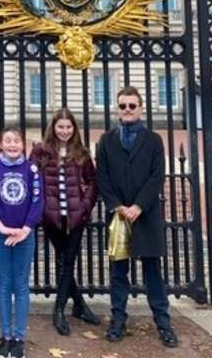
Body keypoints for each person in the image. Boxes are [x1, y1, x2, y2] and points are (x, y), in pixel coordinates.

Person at [95, 86, 179, 348]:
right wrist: (117, 206)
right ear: (117, 109)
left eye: (132, 105)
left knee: (153, 271)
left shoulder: (153, 140)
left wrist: (139, 205)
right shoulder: (106, 140)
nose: (128, 110)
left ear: (141, 108)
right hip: (120, 215)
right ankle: (118, 319)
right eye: (123, 106)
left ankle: (163, 322)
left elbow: (157, 176)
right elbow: (103, 178)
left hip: (147, 213)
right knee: (119, 271)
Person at [29, 108, 100, 336]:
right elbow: (32, 181)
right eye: (61, 127)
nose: (64, 131)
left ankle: (59, 310)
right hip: (51, 217)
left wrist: (85, 207)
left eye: (68, 127)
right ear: (53, 127)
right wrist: (41, 210)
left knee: (68, 260)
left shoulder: (81, 153)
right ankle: (79, 304)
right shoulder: (40, 152)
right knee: (63, 260)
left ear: (74, 129)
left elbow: (92, 182)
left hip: (76, 216)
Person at [0, 127, 43, 358]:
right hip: (0, 233)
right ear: (1, 145)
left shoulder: (31, 169)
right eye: (8, 141)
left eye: (16, 141)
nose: (13, 145)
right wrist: (1, 226)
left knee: (21, 286)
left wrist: (26, 229)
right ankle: (6, 336)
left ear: (22, 145)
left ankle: (19, 337)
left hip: (24, 234)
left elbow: (37, 200)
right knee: (4, 285)